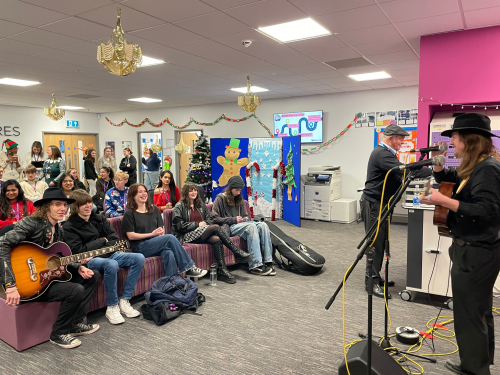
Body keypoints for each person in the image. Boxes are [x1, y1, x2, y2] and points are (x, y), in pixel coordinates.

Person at [419, 113, 500, 375]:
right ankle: (477, 363)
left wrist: (442, 201)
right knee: (479, 311)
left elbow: (487, 211)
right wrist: (440, 170)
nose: (451, 140)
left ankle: (475, 370)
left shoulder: (488, 169)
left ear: (469, 139)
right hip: (477, 250)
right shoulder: (479, 166)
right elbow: (460, 185)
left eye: (454, 136)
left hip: (477, 252)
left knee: (468, 316)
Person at [0, 187, 100, 349]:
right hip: (28, 283)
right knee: (75, 290)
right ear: (46, 206)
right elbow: (2, 244)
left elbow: (56, 258)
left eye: (65, 205)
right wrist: (10, 285)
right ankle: (58, 333)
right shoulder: (31, 223)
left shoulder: (58, 228)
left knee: (92, 275)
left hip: (47, 277)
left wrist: (76, 267)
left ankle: (75, 324)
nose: (63, 209)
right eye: (57, 204)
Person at [360, 124, 431, 298]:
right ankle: (371, 282)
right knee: (375, 244)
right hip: (374, 204)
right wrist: (430, 168)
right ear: (390, 138)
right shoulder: (382, 154)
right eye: (400, 138)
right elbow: (406, 171)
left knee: (382, 241)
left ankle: (376, 276)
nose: (402, 142)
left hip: (383, 204)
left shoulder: (387, 153)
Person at [63, 190, 145, 325]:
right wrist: (102, 240)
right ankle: (112, 306)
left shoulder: (99, 218)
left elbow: (115, 240)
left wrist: (98, 248)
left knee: (139, 258)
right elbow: (79, 251)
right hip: (91, 261)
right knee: (111, 264)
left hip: (105, 255)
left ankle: (124, 299)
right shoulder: (69, 226)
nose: (88, 206)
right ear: (75, 206)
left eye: (89, 202)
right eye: (83, 204)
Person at [121, 183, 207, 279]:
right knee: (169, 238)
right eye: (140, 192)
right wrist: (152, 234)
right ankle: (189, 267)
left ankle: (172, 284)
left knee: (169, 252)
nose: (144, 193)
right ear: (133, 195)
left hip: (156, 243)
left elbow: (161, 228)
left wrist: (160, 232)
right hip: (140, 247)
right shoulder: (129, 213)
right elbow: (130, 236)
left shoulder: (154, 209)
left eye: (145, 191)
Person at [172, 182, 252, 284]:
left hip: (201, 232)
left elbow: (211, 219)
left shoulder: (200, 204)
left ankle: (222, 270)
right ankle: (236, 251)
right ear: (185, 192)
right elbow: (179, 225)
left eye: (195, 190)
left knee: (217, 239)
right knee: (216, 227)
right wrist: (197, 225)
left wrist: (204, 223)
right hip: (186, 235)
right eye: (191, 190)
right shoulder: (179, 206)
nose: (194, 192)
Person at [212, 176, 275, 276]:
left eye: (240, 190)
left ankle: (268, 261)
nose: (238, 192)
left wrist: (244, 218)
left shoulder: (239, 198)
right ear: (230, 188)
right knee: (252, 227)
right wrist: (233, 219)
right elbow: (215, 219)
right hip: (230, 227)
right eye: (236, 190)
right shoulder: (220, 199)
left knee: (263, 225)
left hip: (241, 225)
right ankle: (255, 265)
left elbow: (245, 215)